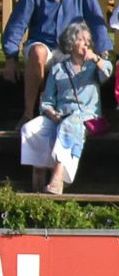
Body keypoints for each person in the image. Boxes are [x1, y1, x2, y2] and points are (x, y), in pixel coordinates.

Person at [1, 0, 111, 125]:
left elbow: (96, 21)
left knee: (83, 59)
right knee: (38, 52)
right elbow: (17, 24)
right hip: (41, 45)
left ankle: (83, 115)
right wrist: (10, 58)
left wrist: (102, 52)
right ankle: (28, 114)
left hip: (71, 49)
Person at [20, 22, 111, 194]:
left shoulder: (93, 66)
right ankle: (39, 176)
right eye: (81, 39)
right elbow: (47, 102)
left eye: (88, 40)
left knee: (70, 124)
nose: (86, 43)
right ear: (71, 42)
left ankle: (58, 178)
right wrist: (52, 114)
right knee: (30, 129)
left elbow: (108, 72)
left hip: (87, 117)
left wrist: (96, 58)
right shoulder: (58, 69)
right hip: (60, 115)